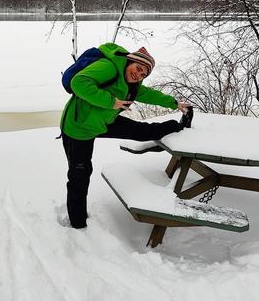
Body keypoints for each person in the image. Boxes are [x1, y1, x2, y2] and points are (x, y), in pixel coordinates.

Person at [60, 43, 193, 229]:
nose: (138, 75)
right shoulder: (109, 68)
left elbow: (148, 94)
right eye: (137, 69)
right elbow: (78, 82)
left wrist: (174, 104)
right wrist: (111, 102)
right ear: (130, 61)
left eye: (143, 74)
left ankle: (174, 127)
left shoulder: (132, 81)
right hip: (79, 128)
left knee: (141, 131)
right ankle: (78, 224)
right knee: (79, 175)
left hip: (104, 121)